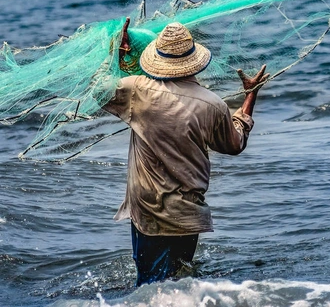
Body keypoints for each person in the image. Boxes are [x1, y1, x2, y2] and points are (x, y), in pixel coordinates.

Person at [91, 18, 269, 286]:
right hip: (189, 211)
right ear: (194, 60)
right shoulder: (213, 104)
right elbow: (235, 144)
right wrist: (250, 95)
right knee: (181, 282)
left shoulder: (137, 90)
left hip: (150, 209)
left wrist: (115, 53)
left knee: (150, 288)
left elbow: (99, 90)